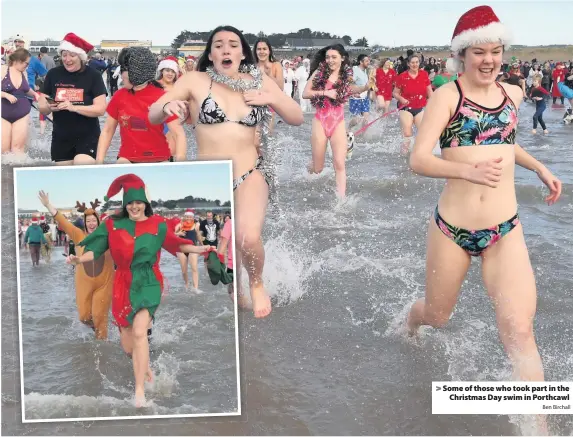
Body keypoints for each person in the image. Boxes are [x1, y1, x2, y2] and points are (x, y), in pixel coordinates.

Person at [406, 6, 562, 434]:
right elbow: (417, 160)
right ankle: (410, 319)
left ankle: (538, 427)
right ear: (463, 55)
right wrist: (465, 170)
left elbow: (506, 145)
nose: (489, 60)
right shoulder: (448, 95)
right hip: (452, 231)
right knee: (437, 315)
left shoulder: (512, 93)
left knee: (519, 330)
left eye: (496, 51)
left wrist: (538, 167)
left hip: (505, 230)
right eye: (479, 52)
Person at [149, 25, 303, 318]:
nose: (226, 50)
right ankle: (239, 287)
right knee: (224, 253)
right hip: (212, 180)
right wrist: (171, 105)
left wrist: (271, 99)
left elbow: (295, 117)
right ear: (211, 53)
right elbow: (153, 112)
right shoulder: (195, 80)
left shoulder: (258, 80)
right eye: (218, 45)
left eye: (233, 44)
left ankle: (257, 283)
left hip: (250, 171)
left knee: (247, 236)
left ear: (242, 52)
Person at [68, 174, 212, 407]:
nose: (134, 207)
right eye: (130, 202)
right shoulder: (113, 224)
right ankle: (144, 367)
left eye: (138, 202)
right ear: (125, 203)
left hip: (148, 281)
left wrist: (200, 248)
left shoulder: (158, 225)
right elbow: (95, 249)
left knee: (139, 332)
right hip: (122, 282)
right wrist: (78, 260)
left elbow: (177, 244)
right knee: (127, 345)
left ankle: (139, 392)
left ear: (146, 202)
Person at [39, 192, 114, 339]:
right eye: (89, 221)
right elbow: (63, 222)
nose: (91, 223)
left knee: (100, 317)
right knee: (84, 317)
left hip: (104, 283)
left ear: (99, 222)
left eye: (94, 221)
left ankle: (102, 348)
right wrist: (48, 205)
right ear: (85, 223)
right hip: (84, 282)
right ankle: (96, 328)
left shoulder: (108, 236)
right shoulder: (79, 235)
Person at [96, 47, 185, 163]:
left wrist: (180, 164)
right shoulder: (119, 96)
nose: (121, 74)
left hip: (158, 159)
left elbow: (178, 134)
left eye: (124, 69)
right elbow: (108, 130)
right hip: (127, 158)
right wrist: (99, 161)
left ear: (139, 72)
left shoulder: (162, 97)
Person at [303, 44, 369, 197]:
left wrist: (366, 86)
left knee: (339, 164)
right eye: (327, 57)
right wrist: (327, 92)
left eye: (334, 57)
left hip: (338, 122)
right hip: (320, 121)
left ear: (342, 58)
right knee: (318, 169)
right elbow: (305, 93)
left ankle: (341, 200)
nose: (330, 60)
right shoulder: (320, 73)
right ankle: (310, 167)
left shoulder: (346, 76)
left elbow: (351, 89)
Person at [37, 33, 107, 165]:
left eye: (72, 55)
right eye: (64, 55)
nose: (67, 59)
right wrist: (48, 107)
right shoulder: (53, 74)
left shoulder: (93, 76)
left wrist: (74, 107)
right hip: (61, 137)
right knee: (64, 179)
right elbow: (42, 104)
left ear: (80, 57)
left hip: (88, 136)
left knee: (82, 163)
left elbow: (101, 109)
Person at [1, 49, 40, 154]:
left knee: (17, 149)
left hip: (22, 113)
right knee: (4, 150)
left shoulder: (24, 73)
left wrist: (35, 94)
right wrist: (5, 95)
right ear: (18, 60)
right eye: (26, 63)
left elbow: (26, 89)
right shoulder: (3, 70)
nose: (27, 66)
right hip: (3, 113)